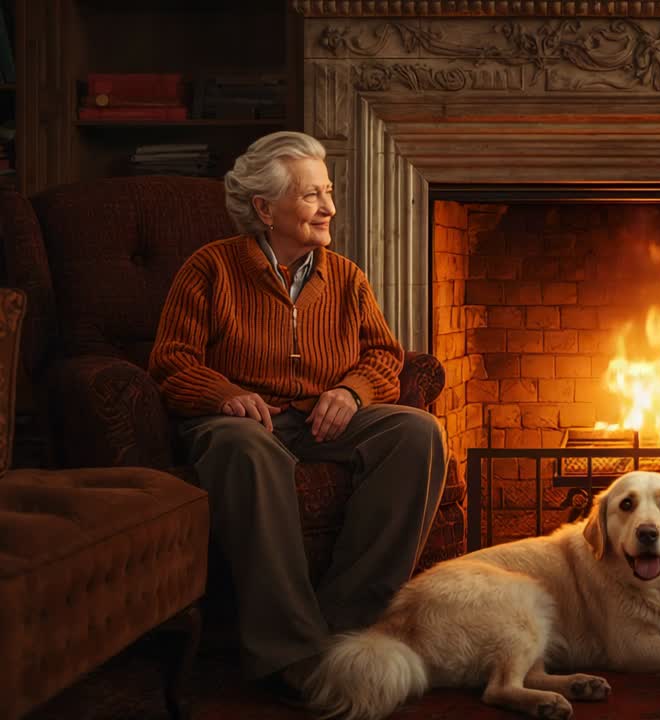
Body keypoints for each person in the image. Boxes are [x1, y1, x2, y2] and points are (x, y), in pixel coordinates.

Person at [149, 131, 449, 703]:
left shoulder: (345, 277)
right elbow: (170, 362)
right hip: (242, 422)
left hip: (324, 417)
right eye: (313, 196)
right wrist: (224, 394)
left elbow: (385, 355)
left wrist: (353, 392)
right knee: (247, 449)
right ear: (265, 208)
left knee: (418, 432)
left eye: (328, 193)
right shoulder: (209, 269)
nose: (330, 208)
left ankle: (346, 632)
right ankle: (292, 654)